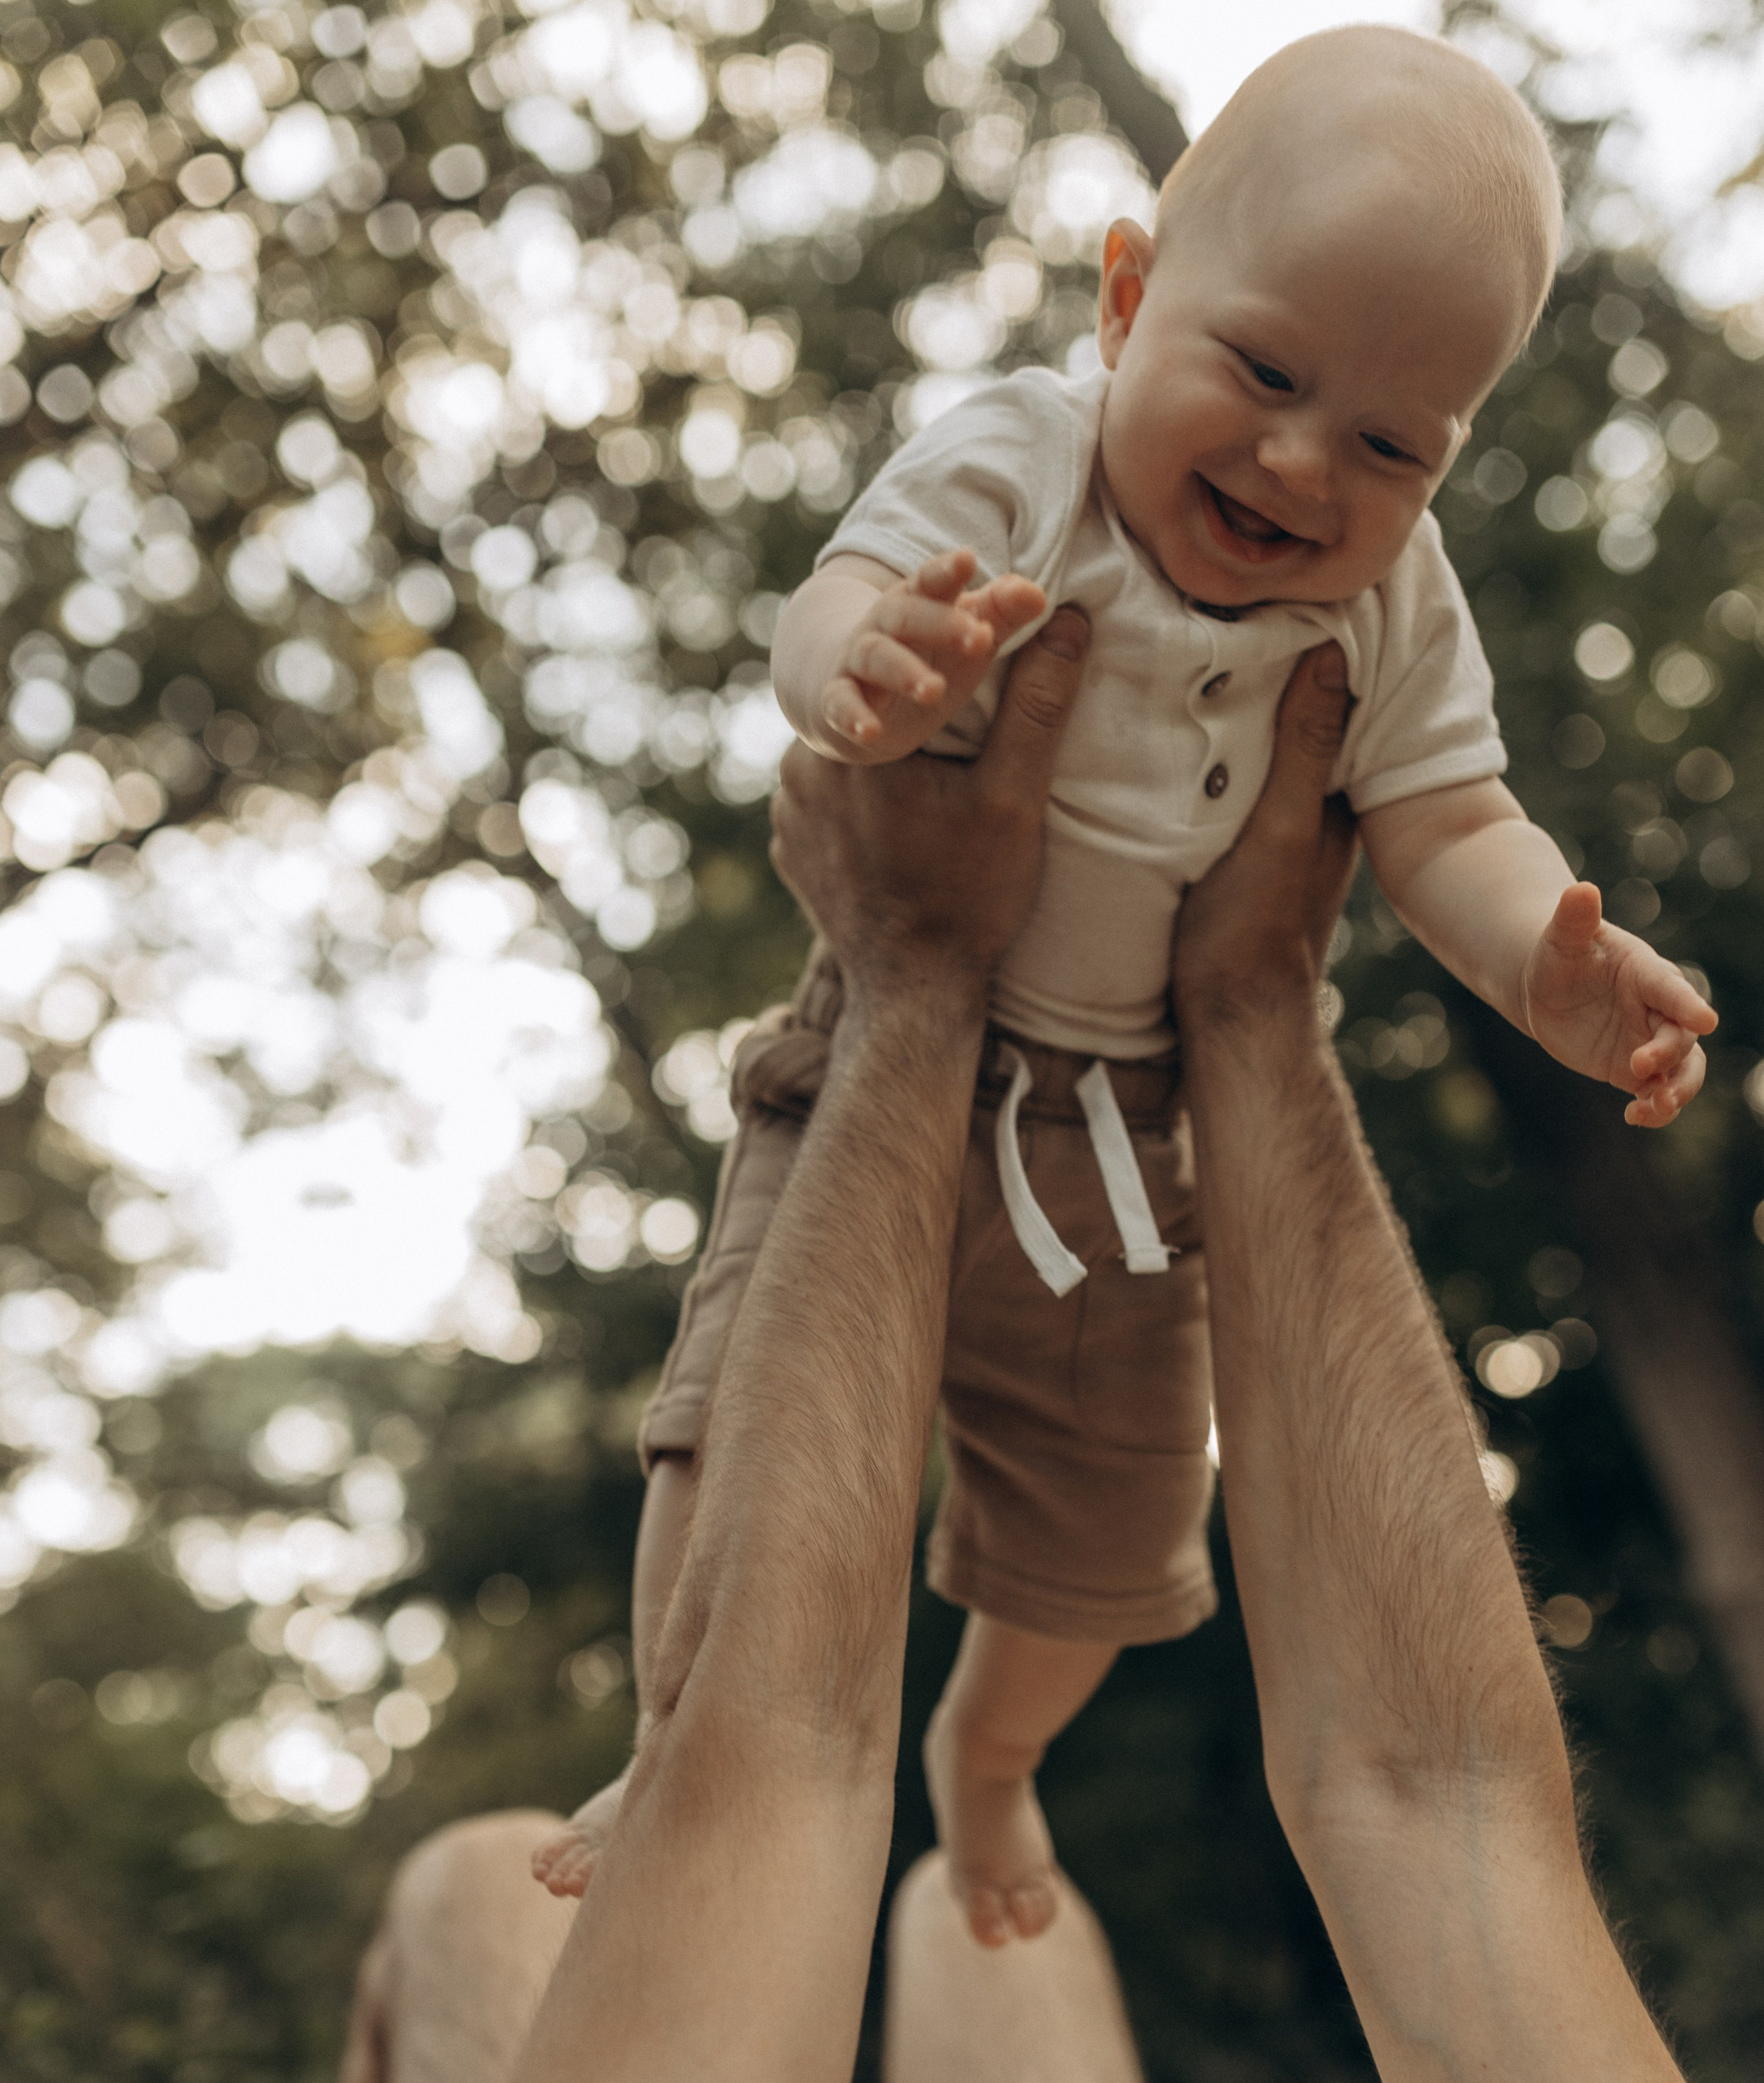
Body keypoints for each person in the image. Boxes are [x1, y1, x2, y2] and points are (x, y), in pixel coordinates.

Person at [288, 617, 1764, 2083]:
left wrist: (911, 976)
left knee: (484, 1890)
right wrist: (1253, 1015)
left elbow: (781, 1757)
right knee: (998, 1916)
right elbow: (1437, 1804)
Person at [535, 27, 1716, 1947]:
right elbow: (835, 598)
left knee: (1106, 1536)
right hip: (878, 1070)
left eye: (1391, 444)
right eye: (1262, 373)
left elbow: (1449, 822)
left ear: (1445, 461)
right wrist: (871, 667)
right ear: (1129, 294)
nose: (1297, 462)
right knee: (739, 1419)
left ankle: (987, 1761)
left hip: (1131, 1138)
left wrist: (1545, 966)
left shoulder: (1391, 606)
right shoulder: (1023, 455)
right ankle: (678, 1735)